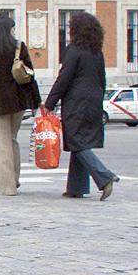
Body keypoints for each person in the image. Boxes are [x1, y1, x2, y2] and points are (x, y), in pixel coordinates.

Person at [42, 12, 119, 200]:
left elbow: (64, 78)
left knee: (76, 141)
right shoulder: (96, 51)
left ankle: (104, 176)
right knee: (81, 141)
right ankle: (77, 187)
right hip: (94, 99)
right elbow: (103, 79)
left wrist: (49, 102)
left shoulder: (73, 50)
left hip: (77, 101)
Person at [0, 15, 41, 196]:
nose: (14, 32)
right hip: (18, 100)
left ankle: (7, 186)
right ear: (8, 30)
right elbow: (30, 75)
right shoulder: (18, 47)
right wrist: (37, 100)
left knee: (3, 142)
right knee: (12, 139)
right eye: (12, 29)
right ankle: (15, 178)